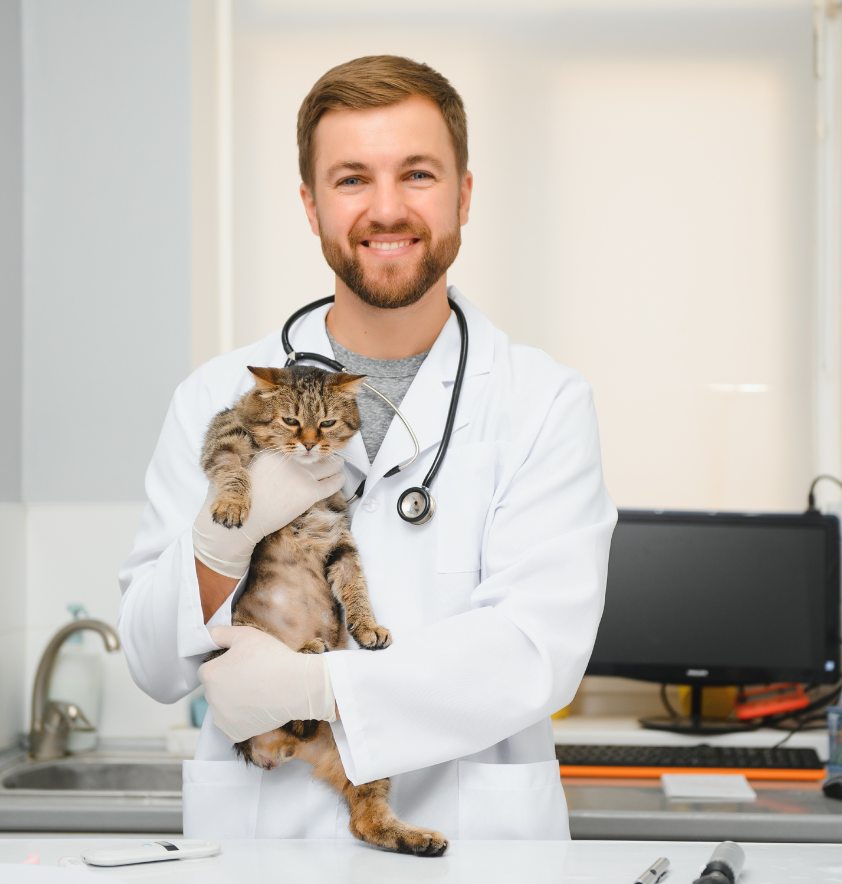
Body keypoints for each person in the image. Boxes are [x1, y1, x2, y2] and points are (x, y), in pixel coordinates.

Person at [118, 55, 616, 842]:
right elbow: (150, 661)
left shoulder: (541, 401)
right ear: (312, 207)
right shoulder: (216, 397)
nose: (387, 209)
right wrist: (222, 540)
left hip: (476, 855)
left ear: (464, 195)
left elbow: (534, 652)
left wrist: (319, 684)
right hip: (263, 851)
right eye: (351, 180)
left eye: (417, 174)